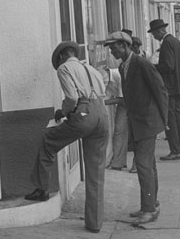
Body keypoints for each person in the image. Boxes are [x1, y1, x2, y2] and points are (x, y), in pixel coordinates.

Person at [25, 41, 109, 233]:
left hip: (83, 114)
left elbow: (71, 98)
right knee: (95, 171)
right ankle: (95, 223)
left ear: (62, 57)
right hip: (102, 115)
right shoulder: (91, 69)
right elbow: (102, 92)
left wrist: (62, 113)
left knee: (48, 140)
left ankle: (41, 189)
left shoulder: (64, 68)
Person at [103, 31, 169, 225]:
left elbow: (160, 91)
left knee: (143, 165)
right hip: (139, 122)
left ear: (125, 46)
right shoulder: (125, 65)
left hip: (147, 122)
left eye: (114, 47)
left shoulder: (141, 64)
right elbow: (131, 96)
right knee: (148, 165)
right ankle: (151, 202)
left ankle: (149, 209)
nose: (111, 51)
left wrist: (164, 121)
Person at [148, 19, 180, 160]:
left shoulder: (166, 43)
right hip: (179, 86)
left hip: (171, 87)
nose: (154, 37)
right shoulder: (175, 41)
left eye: (154, 34)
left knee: (170, 120)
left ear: (160, 31)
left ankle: (175, 150)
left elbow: (168, 66)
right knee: (178, 120)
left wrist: (153, 67)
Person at [103, 66, 129, 171]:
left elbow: (122, 100)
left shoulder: (119, 75)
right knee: (120, 133)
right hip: (125, 104)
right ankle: (119, 162)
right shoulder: (108, 79)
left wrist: (102, 103)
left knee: (119, 132)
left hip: (129, 103)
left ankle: (118, 162)